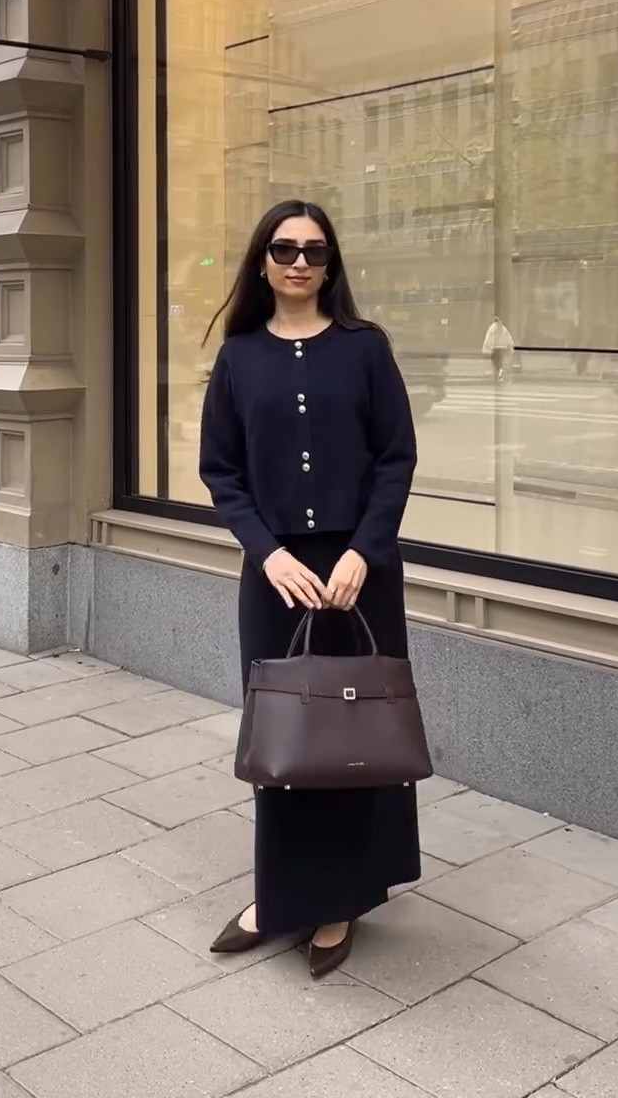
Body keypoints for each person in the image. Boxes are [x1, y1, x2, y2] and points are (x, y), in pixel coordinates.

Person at [199, 199, 420, 979]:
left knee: (355, 739)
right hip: (278, 579)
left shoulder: (365, 350)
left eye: (315, 251)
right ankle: (281, 892)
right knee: (285, 740)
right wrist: (266, 553)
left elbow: (396, 457)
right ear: (262, 261)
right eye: (285, 249)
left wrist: (365, 550)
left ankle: (341, 898)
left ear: (332, 265)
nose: (300, 262)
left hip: (360, 576)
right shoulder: (239, 358)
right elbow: (219, 471)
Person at [482, 315, 514, 383]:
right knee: (501, 362)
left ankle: (498, 375)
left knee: (496, 363)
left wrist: (485, 347)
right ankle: (500, 374)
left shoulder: (491, 329)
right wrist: (511, 346)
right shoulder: (503, 328)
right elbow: (508, 338)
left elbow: (488, 339)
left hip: (495, 347)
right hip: (503, 347)